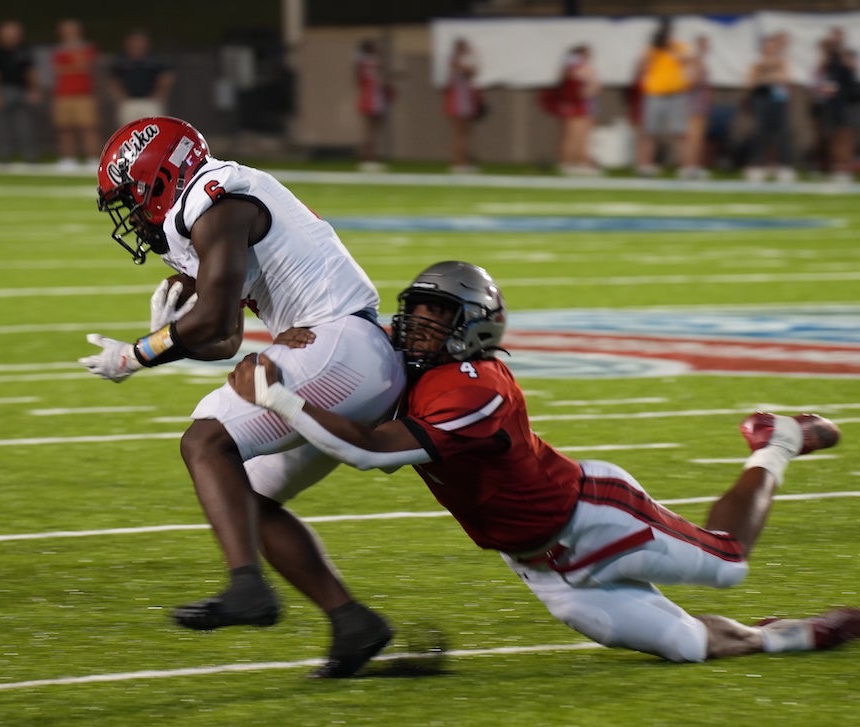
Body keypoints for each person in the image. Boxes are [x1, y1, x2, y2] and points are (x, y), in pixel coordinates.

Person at [229, 260, 860, 664]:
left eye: (438, 316)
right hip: (540, 567)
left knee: (728, 563)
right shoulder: (406, 368)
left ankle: (776, 441)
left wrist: (279, 396)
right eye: (415, 312)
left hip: (592, 517)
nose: (418, 327)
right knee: (688, 646)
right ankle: (791, 636)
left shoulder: (477, 388)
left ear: (474, 326)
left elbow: (367, 451)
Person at [78, 116, 406, 677]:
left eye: (131, 199)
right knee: (245, 497)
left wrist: (138, 354)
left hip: (341, 346)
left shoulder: (218, 200)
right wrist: (173, 332)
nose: (132, 216)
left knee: (204, 441)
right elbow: (225, 338)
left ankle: (247, 589)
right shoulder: (210, 209)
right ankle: (352, 622)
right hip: (347, 353)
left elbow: (209, 324)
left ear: (160, 181)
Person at [634, 18, 693, 176]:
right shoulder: (652, 49)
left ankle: (686, 167)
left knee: (681, 132)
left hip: (676, 94)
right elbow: (642, 69)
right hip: (655, 94)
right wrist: (653, 51)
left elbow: (686, 61)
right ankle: (645, 166)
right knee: (649, 132)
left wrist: (669, 49)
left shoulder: (678, 47)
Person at [0, 20, 40, 164]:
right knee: (1, 127)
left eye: (15, 33)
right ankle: (4, 157)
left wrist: (34, 90)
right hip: (3, 91)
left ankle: (30, 156)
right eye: (8, 33)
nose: (12, 36)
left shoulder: (24, 50)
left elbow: (30, 72)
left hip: (22, 91)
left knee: (25, 126)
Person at [744, 33, 795, 183]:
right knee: (760, 132)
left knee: (781, 133)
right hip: (761, 100)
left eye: (773, 45)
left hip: (778, 101)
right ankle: (757, 165)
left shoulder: (781, 62)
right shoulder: (757, 64)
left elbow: (784, 79)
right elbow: (750, 83)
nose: (770, 48)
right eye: (767, 45)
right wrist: (765, 78)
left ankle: (783, 166)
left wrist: (769, 77)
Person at [812, 27, 859, 184]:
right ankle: (836, 166)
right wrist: (827, 52)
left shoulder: (848, 54)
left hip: (847, 101)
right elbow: (820, 72)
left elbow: (852, 68)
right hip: (831, 103)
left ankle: (845, 166)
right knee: (831, 135)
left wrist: (841, 54)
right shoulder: (827, 58)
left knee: (845, 135)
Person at [51, 18, 99, 169]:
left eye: (71, 29)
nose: (68, 33)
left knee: (88, 128)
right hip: (63, 94)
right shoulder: (58, 49)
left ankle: (93, 158)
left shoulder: (87, 48)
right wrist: (73, 66)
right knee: (65, 128)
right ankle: (68, 159)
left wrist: (68, 67)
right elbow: (57, 70)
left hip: (84, 94)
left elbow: (87, 66)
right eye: (65, 30)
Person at [108, 29, 174, 127]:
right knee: (128, 130)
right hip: (129, 102)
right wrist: (120, 97)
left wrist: (159, 95)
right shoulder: (121, 60)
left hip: (150, 101)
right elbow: (113, 80)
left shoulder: (155, 59)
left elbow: (167, 78)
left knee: (155, 128)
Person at [552, 44, 600, 176]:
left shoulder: (580, 68)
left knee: (582, 135)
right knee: (573, 135)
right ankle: (568, 162)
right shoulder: (573, 67)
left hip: (584, 105)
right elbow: (584, 85)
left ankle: (579, 161)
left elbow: (595, 87)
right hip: (575, 104)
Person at [442, 38, 482, 173]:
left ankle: (463, 161)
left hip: (464, 100)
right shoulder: (454, 62)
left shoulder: (458, 62)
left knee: (465, 133)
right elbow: (471, 72)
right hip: (458, 102)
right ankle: (458, 163)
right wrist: (473, 54)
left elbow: (474, 72)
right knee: (459, 133)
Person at [354, 39, 393, 171]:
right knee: (371, 130)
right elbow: (379, 80)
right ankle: (369, 158)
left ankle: (369, 157)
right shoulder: (372, 62)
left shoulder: (362, 62)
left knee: (370, 130)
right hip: (373, 98)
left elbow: (359, 79)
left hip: (368, 96)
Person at [680, 34, 712, 179]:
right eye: (704, 44)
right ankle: (688, 166)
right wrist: (697, 78)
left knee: (698, 137)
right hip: (693, 102)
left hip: (701, 102)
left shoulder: (701, 61)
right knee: (692, 137)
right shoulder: (693, 61)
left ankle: (694, 165)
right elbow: (688, 81)